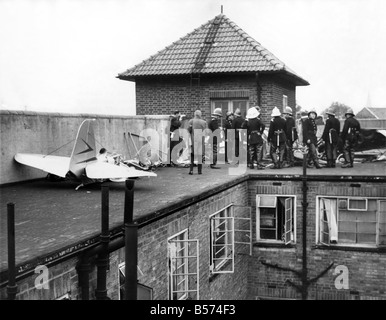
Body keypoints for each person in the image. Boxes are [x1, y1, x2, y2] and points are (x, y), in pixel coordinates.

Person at [188, 109, 207, 175]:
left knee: (192, 155)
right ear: (200, 115)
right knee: (200, 156)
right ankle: (199, 171)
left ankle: (191, 170)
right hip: (200, 139)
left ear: (195, 114)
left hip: (193, 139)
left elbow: (189, 130)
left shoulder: (191, 121)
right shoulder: (204, 122)